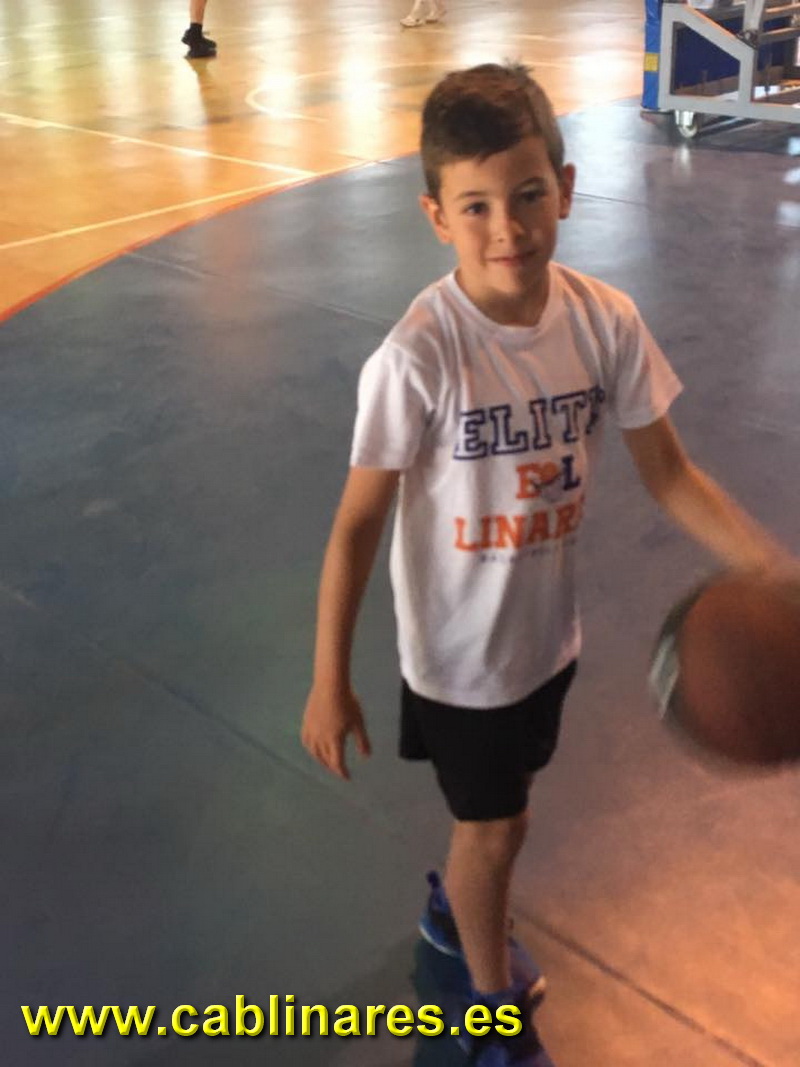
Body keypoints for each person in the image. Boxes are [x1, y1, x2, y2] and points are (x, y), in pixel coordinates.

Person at [300, 63, 793, 1067]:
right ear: (436, 216)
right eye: (476, 206)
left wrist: (771, 567)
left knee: (504, 815)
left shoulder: (603, 321)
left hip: (543, 641)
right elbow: (356, 524)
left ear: (565, 189)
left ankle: (456, 911)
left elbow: (670, 473)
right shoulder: (418, 356)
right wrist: (327, 676)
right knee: (492, 829)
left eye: (527, 195)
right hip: (460, 663)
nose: (508, 228)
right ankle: (488, 1010)